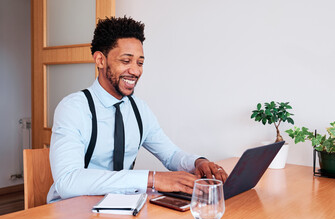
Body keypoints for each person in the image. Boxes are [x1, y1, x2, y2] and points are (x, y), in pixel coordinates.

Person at [47, 16, 227, 203]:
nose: (135, 71)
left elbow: (171, 154)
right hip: (73, 211)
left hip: (121, 209)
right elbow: (67, 182)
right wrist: (153, 179)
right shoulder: (73, 109)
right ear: (100, 60)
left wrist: (198, 163)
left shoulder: (139, 109)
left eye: (140, 63)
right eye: (126, 61)